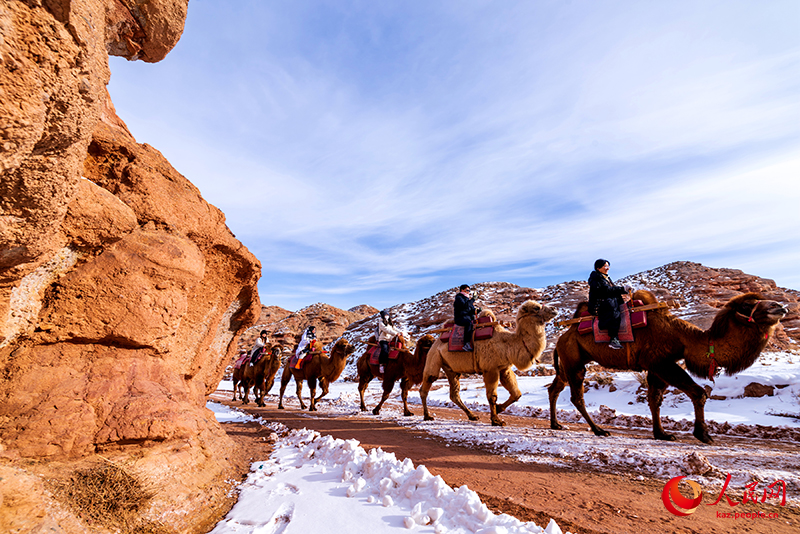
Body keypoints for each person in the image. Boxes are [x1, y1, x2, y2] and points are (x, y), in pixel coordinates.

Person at [588, 259, 631, 350]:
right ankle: (613, 338)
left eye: (608, 266)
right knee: (614, 313)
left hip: (606, 300)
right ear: (598, 268)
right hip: (599, 304)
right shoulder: (596, 279)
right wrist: (623, 289)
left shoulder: (605, 277)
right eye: (605, 266)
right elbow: (606, 291)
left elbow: (611, 290)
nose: (607, 268)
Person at [454, 284, 477, 351]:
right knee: (468, 324)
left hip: (468, 318)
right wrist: (473, 299)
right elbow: (465, 306)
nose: (468, 292)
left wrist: (477, 311)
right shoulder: (459, 298)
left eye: (469, 290)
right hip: (460, 318)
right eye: (467, 290)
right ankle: (466, 344)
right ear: (462, 290)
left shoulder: (467, 300)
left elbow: (472, 310)